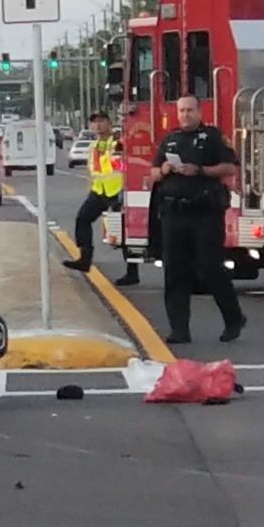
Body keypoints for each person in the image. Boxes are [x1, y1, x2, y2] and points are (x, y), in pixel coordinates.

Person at [150, 95, 246, 344]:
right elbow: (152, 172)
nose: (185, 115)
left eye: (190, 110)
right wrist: (163, 170)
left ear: (199, 112)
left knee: (210, 267)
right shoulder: (170, 140)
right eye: (181, 110)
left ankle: (234, 318)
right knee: (175, 271)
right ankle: (179, 329)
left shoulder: (212, 137)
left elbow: (230, 168)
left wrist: (200, 170)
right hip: (174, 213)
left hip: (204, 213)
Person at [62, 111, 140, 286]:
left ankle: (132, 273)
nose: (97, 125)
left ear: (109, 123)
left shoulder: (118, 143)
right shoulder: (94, 146)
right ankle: (85, 259)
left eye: (101, 121)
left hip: (117, 191)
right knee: (82, 219)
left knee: (125, 233)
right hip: (99, 191)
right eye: (94, 122)